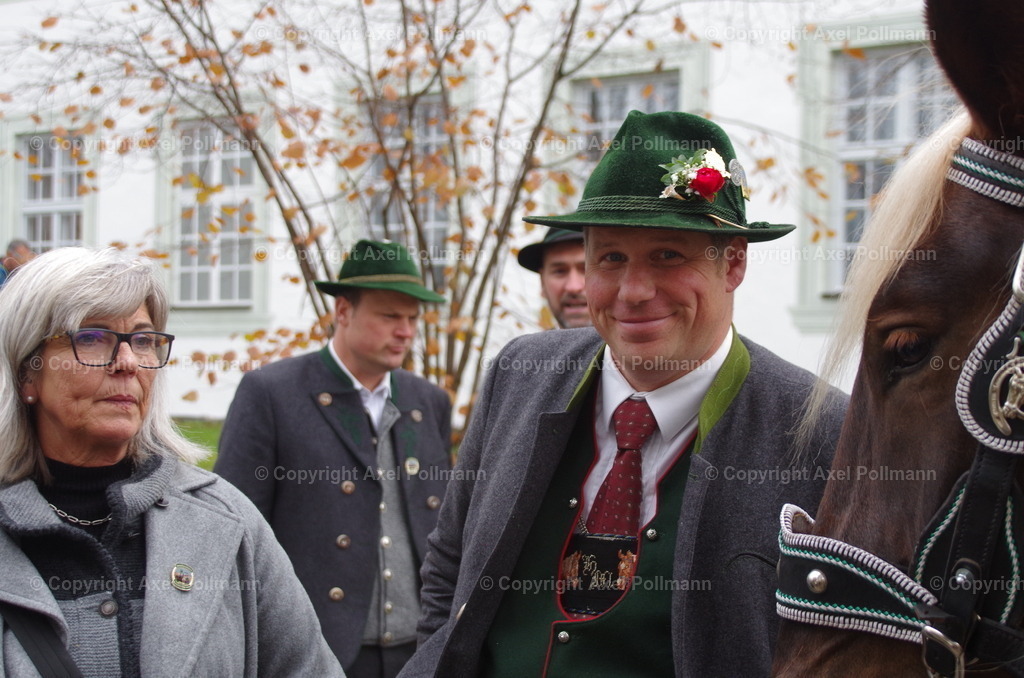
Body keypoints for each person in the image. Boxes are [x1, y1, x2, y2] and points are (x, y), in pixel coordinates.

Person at [400, 111, 848, 678]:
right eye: (611, 258)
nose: (634, 292)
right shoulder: (519, 373)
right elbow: (450, 564)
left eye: (668, 255)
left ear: (733, 263)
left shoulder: (820, 429)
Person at [0, 247, 342, 677]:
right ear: (28, 371)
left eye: (142, 340)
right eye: (91, 337)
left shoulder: (224, 519)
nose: (127, 362)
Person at [216, 239, 453, 678]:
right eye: (390, 316)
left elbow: (448, 526)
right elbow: (233, 532)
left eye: (413, 319)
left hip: (420, 651)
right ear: (343, 311)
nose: (405, 331)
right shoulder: (272, 393)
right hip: (319, 651)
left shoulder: (428, 400)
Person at [517, 228, 590, 329]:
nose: (573, 287)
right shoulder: (526, 345)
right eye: (560, 271)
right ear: (542, 283)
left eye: (586, 270)